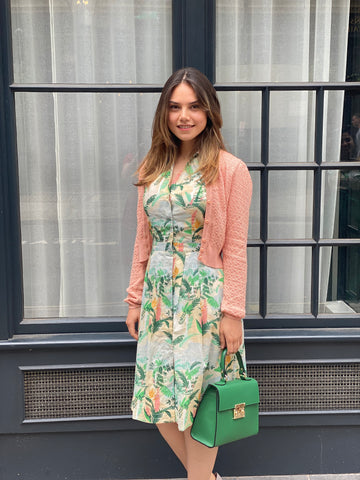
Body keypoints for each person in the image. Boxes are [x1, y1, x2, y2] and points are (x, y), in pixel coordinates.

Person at [124, 67, 252, 480]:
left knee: (202, 398)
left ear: (209, 111)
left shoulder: (231, 170)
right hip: (159, 297)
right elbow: (142, 240)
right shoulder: (152, 167)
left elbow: (234, 247)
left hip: (204, 298)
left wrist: (232, 312)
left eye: (194, 106)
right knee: (159, 400)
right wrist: (134, 298)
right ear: (165, 112)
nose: (184, 116)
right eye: (175, 107)